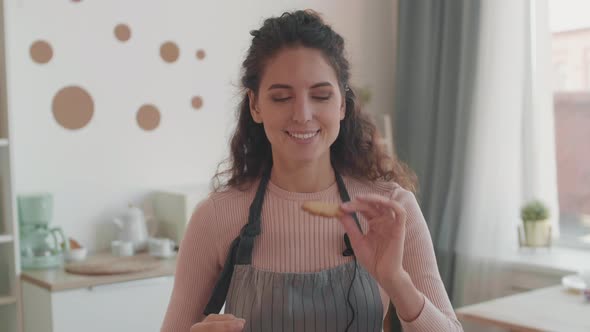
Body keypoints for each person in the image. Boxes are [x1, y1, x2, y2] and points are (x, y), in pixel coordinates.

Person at [161, 9, 463, 332]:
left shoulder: (389, 210)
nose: (303, 115)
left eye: (320, 95)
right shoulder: (216, 216)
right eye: (280, 98)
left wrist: (396, 281)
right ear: (255, 105)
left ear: (343, 104)